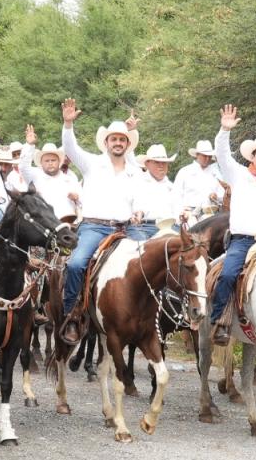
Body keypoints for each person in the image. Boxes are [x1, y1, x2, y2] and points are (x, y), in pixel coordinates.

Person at [57, 100, 143, 344]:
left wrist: (138, 211)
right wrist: (68, 124)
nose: (118, 143)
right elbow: (70, 148)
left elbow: (140, 198)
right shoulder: (92, 163)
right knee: (76, 264)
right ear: (106, 143)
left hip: (125, 229)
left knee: (153, 260)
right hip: (94, 227)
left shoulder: (134, 171)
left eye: (122, 139)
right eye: (114, 139)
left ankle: (149, 316)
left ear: (127, 144)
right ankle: (72, 316)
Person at [208, 106, 256, 345]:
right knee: (228, 275)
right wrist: (225, 130)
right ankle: (220, 320)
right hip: (243, 241)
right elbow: (222, 154)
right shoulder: (238, 174)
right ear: (253, 156)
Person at [18, 127, 80, 223]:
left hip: (69, 224)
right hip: (45, 225)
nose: (50, 163)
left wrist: (77, 198)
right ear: (41, 163)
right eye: (47, 161)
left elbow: (83, 202)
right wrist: (29, 145)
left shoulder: (70, 179)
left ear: (59, 162)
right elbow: (23, 167)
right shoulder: (35, 176)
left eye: (53, 160)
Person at [130, 143, 180, 239]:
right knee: (141, 245)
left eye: (164, 162)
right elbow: (135, 206)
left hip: (172, 227)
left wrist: (182, 215)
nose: (161, 165)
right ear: (147, 164)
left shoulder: (171, 186)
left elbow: (178, 209)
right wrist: (138, 213)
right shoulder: (137, 182)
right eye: (157, 162)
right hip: (146, 227)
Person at [174, 139, 224, 222]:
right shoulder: (185, 172)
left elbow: (222, 195)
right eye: (204, 156)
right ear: (197, 155)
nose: (207, 158)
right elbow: (176, 195)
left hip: (210, 213)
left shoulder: (216, 173)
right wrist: (181, 212)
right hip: (189, 214)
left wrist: (216, 196)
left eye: (209, 156)